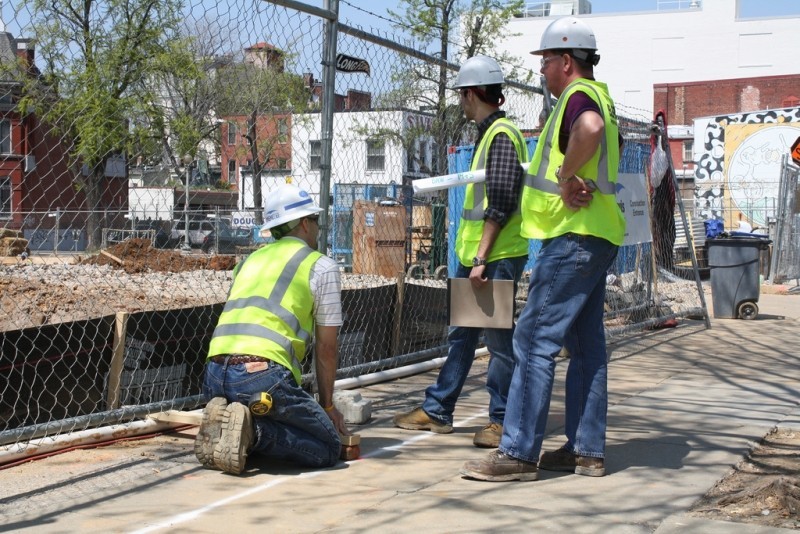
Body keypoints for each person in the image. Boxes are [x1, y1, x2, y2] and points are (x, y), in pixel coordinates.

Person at [461, 16, 625, 480]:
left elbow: (587, 129)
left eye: (547, 61)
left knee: (533, 340)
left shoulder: (579, 98)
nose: (543, 70)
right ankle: (586, 450)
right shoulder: (600, 96)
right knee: (586, 345)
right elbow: (594, 130)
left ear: (567, 61)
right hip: (599, 235)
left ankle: (516, 453)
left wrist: (566, 175)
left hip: (572, 236)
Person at [393, 55, 529, 448]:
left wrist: (482, 258)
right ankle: (438, 410)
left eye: (461, 95)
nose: (461, 102)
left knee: (500, 343)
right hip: (480, 258)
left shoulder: (501, 136)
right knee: (462, 337)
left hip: (494, 258)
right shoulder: (491, 135)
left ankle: (503, 420)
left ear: (471, 94)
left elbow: (501, 200)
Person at [194, 184, 350, 475]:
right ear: (304, 223)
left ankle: (233, 419)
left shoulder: (248, 262)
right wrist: (327, 407)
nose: (317, 227)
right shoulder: (320, 266)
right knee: (328, 446)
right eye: (315, 220)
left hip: (215, 374)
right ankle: (253, 433)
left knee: (275, 413)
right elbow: (327, 348)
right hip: (262, 377)